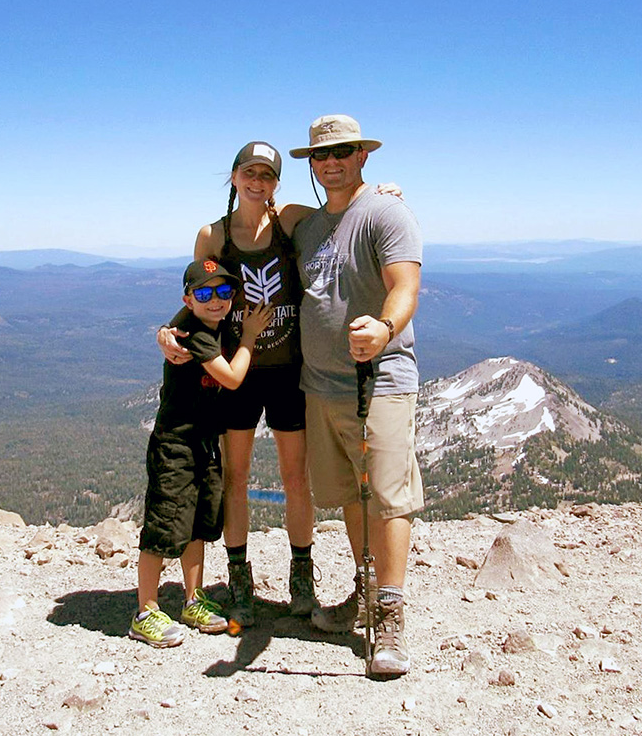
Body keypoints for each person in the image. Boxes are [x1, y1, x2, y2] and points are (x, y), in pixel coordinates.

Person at [157, 143, 401, 628]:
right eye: (250, 173)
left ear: (276, 183)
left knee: (296, 481)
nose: (257, 182)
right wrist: (168, 330)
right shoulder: (213, 235)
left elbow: (343, 215)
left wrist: (382, 196)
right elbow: (199, 297)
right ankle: (239, 580)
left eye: (267, 175)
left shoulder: (290, 219)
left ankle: (301, 578)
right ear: (233, 177)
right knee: (237, 480)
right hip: (238, 372)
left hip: (292, 371)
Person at [289, 114, 423, 678]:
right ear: (312, 165)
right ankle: (366, 593)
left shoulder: (386, 213)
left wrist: (385, 329)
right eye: (321, 156)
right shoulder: (306, 224)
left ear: (362, 156)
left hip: (380, 380)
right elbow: (266, 212)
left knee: (388, 495)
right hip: (320, 386)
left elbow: (405, 285)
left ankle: (389, 614)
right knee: (350, 492)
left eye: (342, 152)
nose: (331, 162)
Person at [131, 259, 272, 648]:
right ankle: (145, 611)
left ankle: (191, 600)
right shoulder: (196, 334)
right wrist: (249, 339)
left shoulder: (212, 322)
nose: (217, 301)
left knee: (197, 524)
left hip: (205, 441)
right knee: (164, 525)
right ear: (188, 300)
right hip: (176, 443)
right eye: (205, 293)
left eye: (224, 292)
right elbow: (231, 378)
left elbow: (193, 313)